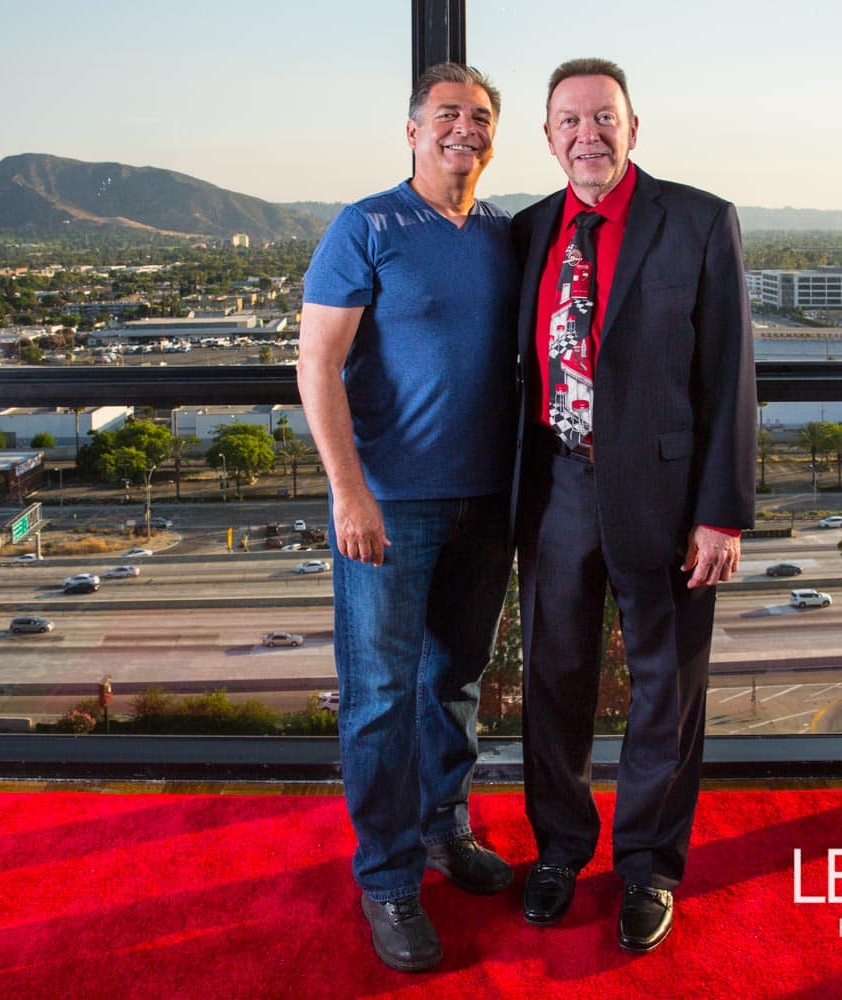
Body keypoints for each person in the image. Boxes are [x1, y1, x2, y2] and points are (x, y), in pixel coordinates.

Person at [511, 57, 757, 953]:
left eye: (604, 117)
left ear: (633, 127)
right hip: (558, 485)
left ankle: (648, 865)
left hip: (667, 496)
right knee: (554, 681)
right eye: (569, 120)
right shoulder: (529, 231)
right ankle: (560, 850)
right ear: (547, 137)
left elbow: (730, 373)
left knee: (666, 691)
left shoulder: (697, 221)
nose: (588, 134)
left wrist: (722, 512)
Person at [297, 62, 518, 974]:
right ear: (412, 129)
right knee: (382, 697)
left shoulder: (508, 233)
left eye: (479, 117)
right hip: (390, 507)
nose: (462, 129)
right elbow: (316, 366)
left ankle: (443, 831)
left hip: (490, 500)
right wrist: (351, 493)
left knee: (455, 682)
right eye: (445, 115)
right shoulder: (366, 225)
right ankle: (388, 881)